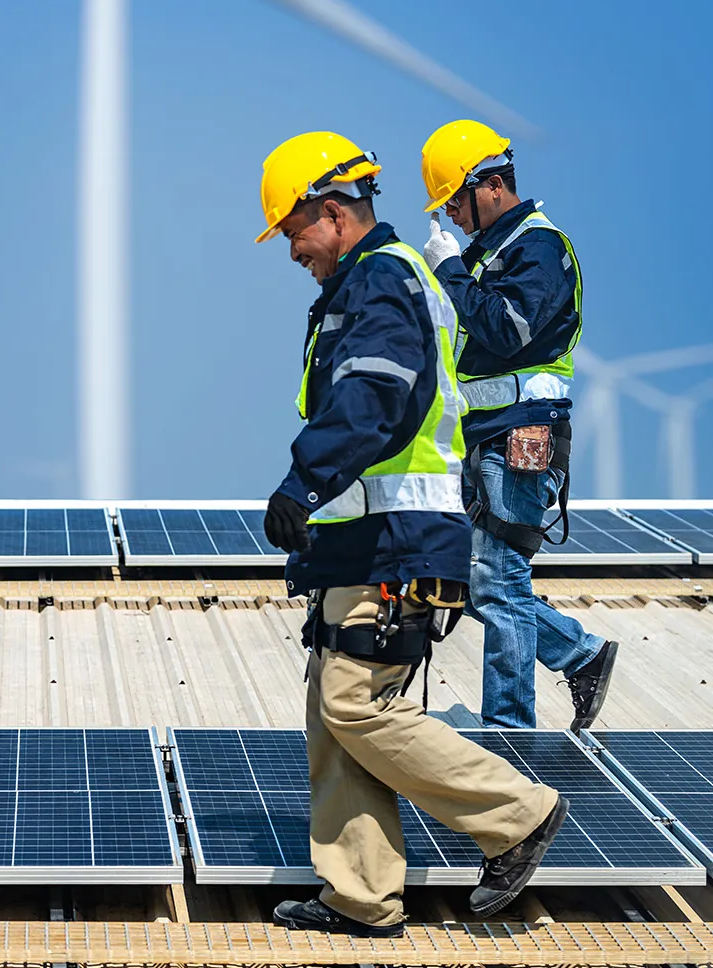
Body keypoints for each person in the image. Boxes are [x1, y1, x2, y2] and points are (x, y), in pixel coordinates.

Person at [256, 132, 568, 936]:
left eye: (293, 231)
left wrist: (304, 481)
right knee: (334, 713)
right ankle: (361, 895)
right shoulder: (371, 284)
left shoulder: (382, 283)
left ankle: (517, 813)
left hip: (396, 540)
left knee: (358, 706)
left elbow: (372, 396)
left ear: (332, 211)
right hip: (359, 544)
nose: (291, 251)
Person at [418, 121, 617, 730]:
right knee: (477, 582)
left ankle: (510, 737)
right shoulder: (489, 254)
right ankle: (579, 654)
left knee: (499, 585)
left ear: (493, 184)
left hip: (521, 433)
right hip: (486, 435)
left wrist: (450, 273)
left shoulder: (538, 248)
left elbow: (506, 330)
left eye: (455, 198)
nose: (450, 214)